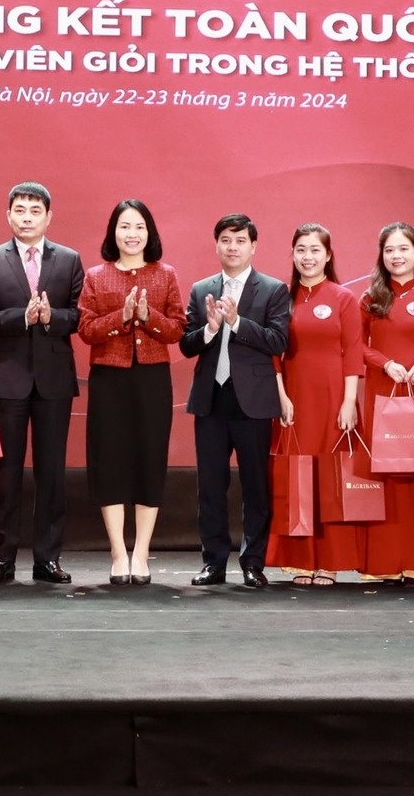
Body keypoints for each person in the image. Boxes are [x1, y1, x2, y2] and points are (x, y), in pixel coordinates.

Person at [0, 182, 84, 585]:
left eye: (35, 211)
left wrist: (51, 317)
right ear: (8, 215)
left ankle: (47, 559)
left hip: (54, 380)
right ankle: (2, 558)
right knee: (7, 473)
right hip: (8, 378)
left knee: (51, 473)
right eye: (20, 210)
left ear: (48, 217)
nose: (27, 218)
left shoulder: (68, 259)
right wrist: (23, 317)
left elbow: (79, 315)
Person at [76, 199, 185, 584]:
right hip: (109, 380)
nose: (132, 234)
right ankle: (118, 553)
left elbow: (177, 329)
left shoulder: (165, 275)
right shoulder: (96, 276)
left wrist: (146, 316)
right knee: (110, 461)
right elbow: (86, 330)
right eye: (124, 226)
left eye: (139, 226)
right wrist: (120, 317)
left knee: (148, 460)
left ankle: (141, 553)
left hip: (152, 379)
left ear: (149, 233)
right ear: (113, 233)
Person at [180, 213, 292, 588]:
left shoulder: (273, 289)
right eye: (226, 240)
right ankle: (213, 563)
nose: (233, 247)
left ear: (253, 246)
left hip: (253, 402)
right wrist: (210, 329)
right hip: (211, 400)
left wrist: (238, 322)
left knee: (255, 486)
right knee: (210, 487)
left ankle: (253, 563)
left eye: (241, 240)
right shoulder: (201, 289)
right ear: (217, 245)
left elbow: (278, 340)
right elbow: (186, 344)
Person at [267, 224, 364, 585]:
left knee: (330, 477)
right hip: (294, 401)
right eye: (301, 250)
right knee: (297, 477)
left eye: (315, 250)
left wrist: (349, 402)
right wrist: (281, 396)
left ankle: (330, 561)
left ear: (328, 255)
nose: (308, 257)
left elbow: (353, 352)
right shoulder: (281, 297)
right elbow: (273, 353)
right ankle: (301, 560)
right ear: (292, 254)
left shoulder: (343, 298)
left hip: (334, 399)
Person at [357, 223, 414, 584]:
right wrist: (385, 363)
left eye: (403, 249)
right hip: (383, 393)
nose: (396, 256)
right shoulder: (370, 299)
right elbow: (356, 345)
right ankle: (383, 564)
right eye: (389, 250)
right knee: (386, 476)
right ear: (381, 256)